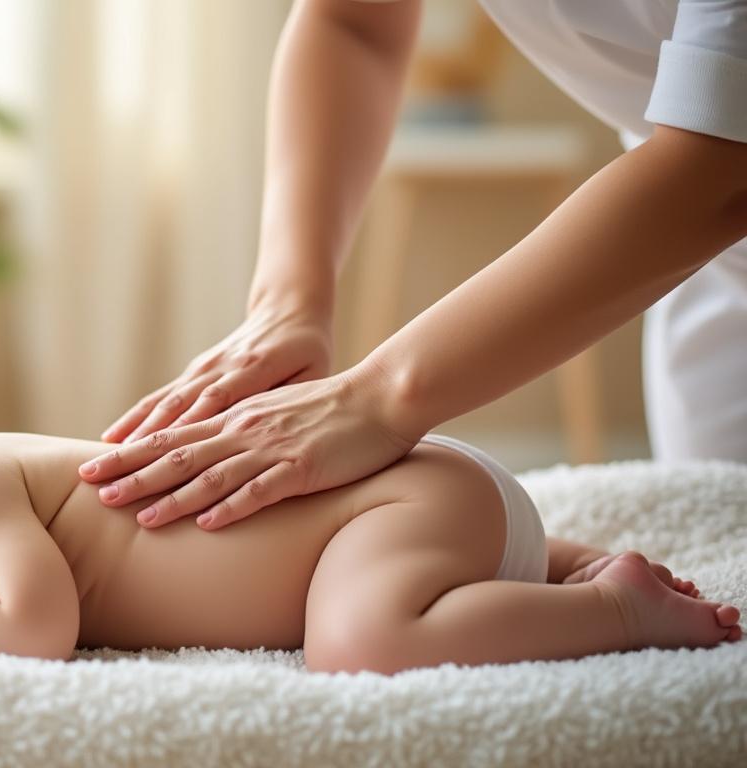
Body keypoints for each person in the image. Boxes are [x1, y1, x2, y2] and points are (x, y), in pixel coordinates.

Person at [79, 0, 747, 532]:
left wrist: (379, 397)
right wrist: (287, 301)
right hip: (709, 267)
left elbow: (718, 169)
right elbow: (354, 22)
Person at [0, 383, 740, 674]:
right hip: (428, 512)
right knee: (378, 596)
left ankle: (607, 605)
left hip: (402, 505)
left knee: (357, 644)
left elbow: (32, 626)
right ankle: (553, 563)